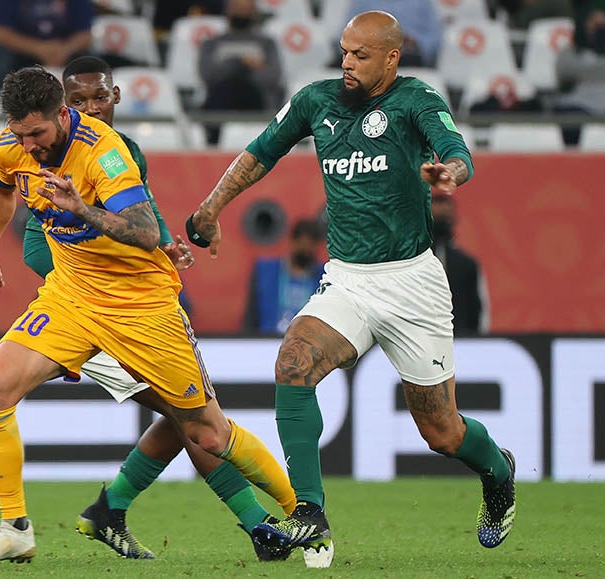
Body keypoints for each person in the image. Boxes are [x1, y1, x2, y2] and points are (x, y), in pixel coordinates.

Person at [185, 11, 516, 568]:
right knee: (293, 362)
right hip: (349, 279)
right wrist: (212, 207)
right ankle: (309, 509)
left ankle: (498, 470)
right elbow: (261, 151)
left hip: (412, 283)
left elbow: (456, 148)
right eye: (343, 51)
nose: (346, 62)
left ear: (392, 58)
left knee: (442, 432)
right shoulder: (317, 101)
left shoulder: (415, 99)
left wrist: (452, 172)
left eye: (360, 55)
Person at [0, 65, 296, 568]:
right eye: (20, 134)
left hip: (141, 306)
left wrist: (80, 209)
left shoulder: (106, 152)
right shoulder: (13, 143)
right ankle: (16, 529)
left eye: (38, 134)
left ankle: (301, 512)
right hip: (72, 297)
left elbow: (141, 230)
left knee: (203, 429)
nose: (28, 146)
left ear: (62, 114)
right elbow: (2, 189)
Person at [198, 0, 284, 145]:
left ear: (254, 13)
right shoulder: (211, 43)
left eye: (246, 9)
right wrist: (236, 63)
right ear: (227, 12)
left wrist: (254, 68)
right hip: (221, 100)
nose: (241, 14)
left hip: (257, 100)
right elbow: (207, 75)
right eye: (237, 9)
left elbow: (273, 77)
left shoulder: (267, 43)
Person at [243, 217, 326, 335]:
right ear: (292, 242)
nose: (306, 251)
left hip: (306, 343)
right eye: (302, 246)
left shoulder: (323, 277)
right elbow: (251, 314)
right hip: (266, 342)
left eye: (311, 248)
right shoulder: (267, 271)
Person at [0, 0, 94, 85]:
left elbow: (85, 35)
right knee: (2, 63)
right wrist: (38, 49)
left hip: (65, 51)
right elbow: (2, 34)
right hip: (23, 52)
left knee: (92, 63)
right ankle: (9, 108)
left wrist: (65, 50)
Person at [431, 192, 490, 335]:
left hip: (461, 342)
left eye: (444, 218)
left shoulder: (467, 265)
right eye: (436, 218)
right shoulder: (411, 263)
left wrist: (477, 341)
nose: (441, 223)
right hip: (419, 341)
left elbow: (479, 309)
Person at [344, 0, 443, 66]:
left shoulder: (422, 3)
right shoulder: (363, 2)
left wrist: (415, 41)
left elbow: (435, 39)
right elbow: (344, 35)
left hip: (410, 60)